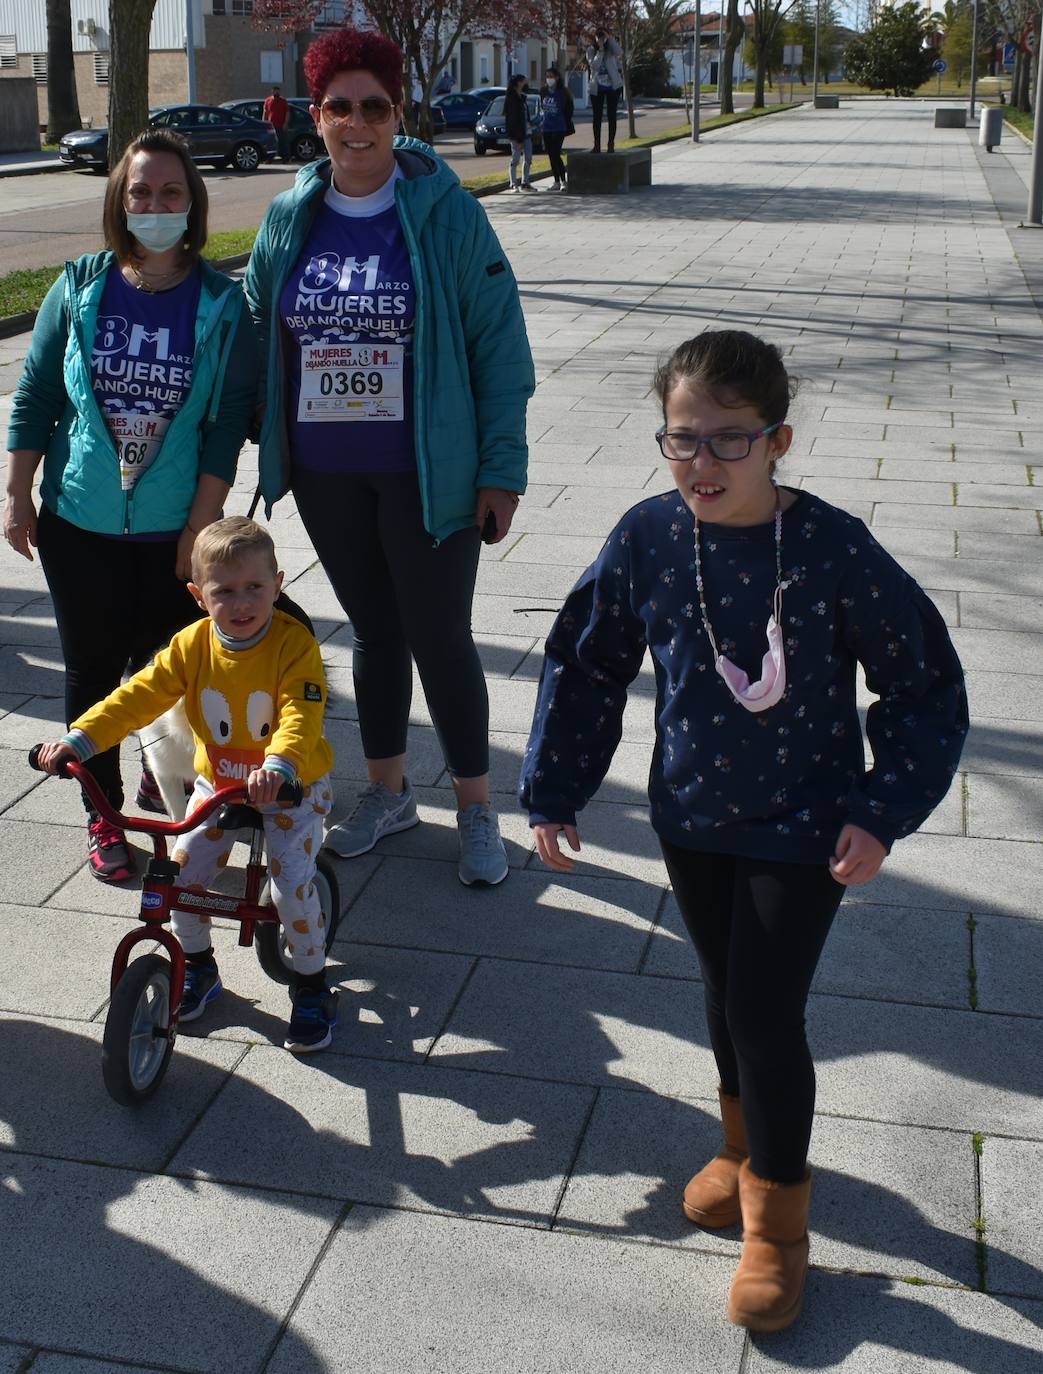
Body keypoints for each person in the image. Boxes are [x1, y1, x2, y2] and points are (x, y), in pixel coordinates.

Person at [520, 330, 968, 1332]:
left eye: (729, 441)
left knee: (765, 1013)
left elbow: (922, 680)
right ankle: (736, 1146)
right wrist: (552, 788)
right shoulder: (645, 536)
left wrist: (878, 808)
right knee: (723, 993)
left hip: (804, 822)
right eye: (682, 441)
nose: (702, 464)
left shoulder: (830, 548)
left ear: (778, 441)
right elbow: (586, 659)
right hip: (692, 810)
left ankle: (777, 1222)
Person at [245, 26, 534, 887]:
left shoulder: (446, 212)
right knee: (373, 633)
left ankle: (479, 809)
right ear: (317, 115)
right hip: (328, 470)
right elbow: (259, 329)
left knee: (440, 636)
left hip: (428, 468)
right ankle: (389, 791)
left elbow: (499, 348)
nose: (357, 122)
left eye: (374, 105)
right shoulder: (291, 214)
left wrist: (500, 469)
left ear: (396, 113)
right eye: (340, 107)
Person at [4, 127, 256, 883]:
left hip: (174, 531)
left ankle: (164, 780)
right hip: (78, 523)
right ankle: (103, 818)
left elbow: (225, 427)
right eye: (140, 191)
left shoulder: (219, 303)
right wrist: (18, 494)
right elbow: (38, 396)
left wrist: (198, 530)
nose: (154, 204)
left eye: (170, 192)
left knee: (174, 671)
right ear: (120, 199)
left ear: (192, 204)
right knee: (91, 674)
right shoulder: (80, 284)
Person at [35, 518, 339, 1052]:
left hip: (293, 786)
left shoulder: (294, 647)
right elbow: (137, 697)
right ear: (199, 596)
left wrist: (283, 765)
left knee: (292, 883)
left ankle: (312, 985)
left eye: (255, 589)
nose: (241, 603)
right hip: (219, 785)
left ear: (279, 584)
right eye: (224, 592)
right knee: (180, 875)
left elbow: (299, 712)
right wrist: (82, 739)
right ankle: (197, 964)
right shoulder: (191, 645)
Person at [585, 29, 624, 153]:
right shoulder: (591, 50)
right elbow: (594, 65)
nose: (601, 40)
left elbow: (620, 52)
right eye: (599, 37)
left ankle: (611, 144)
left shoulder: (611, 49)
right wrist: (600, 50)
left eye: (603, 37)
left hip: (613, 86)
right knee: (597, 117)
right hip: (597, 87)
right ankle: (597, 145)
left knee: (612, 115)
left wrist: (610, 38)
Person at [540, 65, 574, 192]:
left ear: (557, 78)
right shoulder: (543, 91)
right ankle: (556, 181)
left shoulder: (563, 92)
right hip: (546, 127)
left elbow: (569, 109)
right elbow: (542, 107)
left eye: (551, 76)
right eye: (547, 76)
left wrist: (565, 121)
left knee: (556, 153)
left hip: (559, 127)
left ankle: (564, 180)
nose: (549, 79)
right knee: (550, 154)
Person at [505, 73, 537, 192]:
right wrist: (518, 138)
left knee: (528, 158)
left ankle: (525, 182)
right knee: (515, 159)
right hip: (516, 134)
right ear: (518, 82)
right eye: (524, 80)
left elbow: (524, 117)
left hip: (527, 132)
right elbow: (512, 120)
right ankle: (513, 183)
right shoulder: (511, 98)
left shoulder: (522, 97)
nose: (526, 82)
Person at [263, 85, 291, 161]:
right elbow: (265, 112)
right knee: (270, 143)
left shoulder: (283, 101)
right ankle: (269, 159)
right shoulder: (268, 100)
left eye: (278, 91)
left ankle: (286, 158)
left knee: (283, 142)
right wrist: (264, 123)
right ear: (272, 91)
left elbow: (287, 112)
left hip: (281, 125)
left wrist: (285, 123)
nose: (276, 92)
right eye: (275, 90)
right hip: (271, 125)